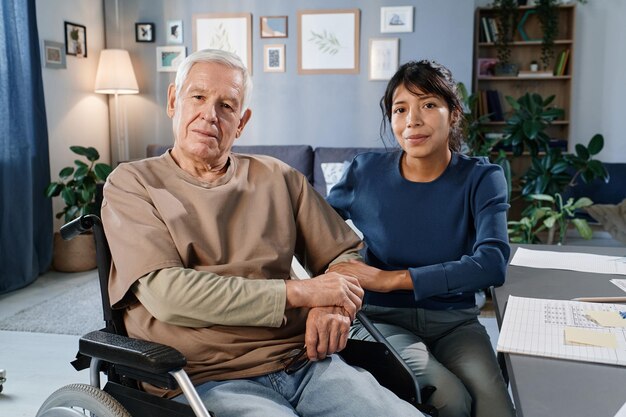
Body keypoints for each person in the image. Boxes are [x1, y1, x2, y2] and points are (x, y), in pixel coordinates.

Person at [101, 49, 424, 417]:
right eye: (199, 97)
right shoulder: (132, 183)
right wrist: (303, 292)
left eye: (227, 105)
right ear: (174, 100)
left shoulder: (278, 177)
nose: (210, 114)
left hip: (303, 363)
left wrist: (333, 306)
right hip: (201, 378)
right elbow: (167, 295)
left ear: (241, 121)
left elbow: (344, 255)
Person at [326, 60, 516, 417]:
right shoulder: (364, 172)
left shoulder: (482, 177)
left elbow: (492, 264)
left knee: (497, 411)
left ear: (454, 114)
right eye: (401, 109)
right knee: (450, 400)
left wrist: (390, 278)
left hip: (455, 321)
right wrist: (337, 274)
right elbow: (315, 233)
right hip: (382, 318)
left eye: (428, 104)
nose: (412, 119)